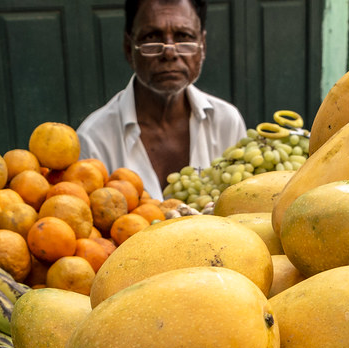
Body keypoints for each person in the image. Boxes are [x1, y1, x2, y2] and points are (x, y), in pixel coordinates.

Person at [77, 0, 247, 199]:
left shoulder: (226, 122)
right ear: (128, 48)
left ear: (203, 46)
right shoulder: (94, 139)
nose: (169, 52)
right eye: (152, 37)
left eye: (184, 37)